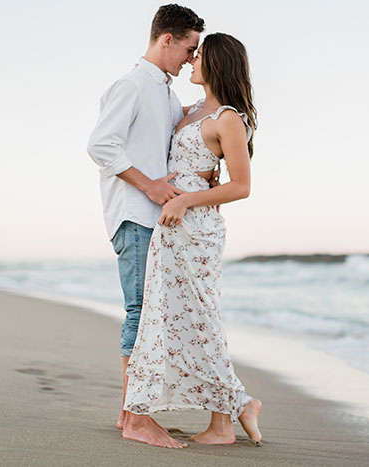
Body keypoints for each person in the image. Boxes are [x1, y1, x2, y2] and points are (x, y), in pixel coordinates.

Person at [122, 33, 262, 448]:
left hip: (195, 230)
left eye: (199, 55)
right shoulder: (191, 111)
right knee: (175, 319)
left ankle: (227, 419)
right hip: (172, 228)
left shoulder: (228, 118)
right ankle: (235, 407)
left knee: (201, 319)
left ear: (216, 63)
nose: (192, 61)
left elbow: (241, 186)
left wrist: (189, 200)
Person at [86, 4, 204, 448]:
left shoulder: (167, 94)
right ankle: (136, 418)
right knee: (140, 311)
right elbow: (101, 145)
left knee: (151, 313)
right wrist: (150, 187)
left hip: (153, 219)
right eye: (189, 49)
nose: (191, 60)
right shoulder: (133, 85)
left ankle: (128, 414)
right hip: (134, 215)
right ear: (166, 39)